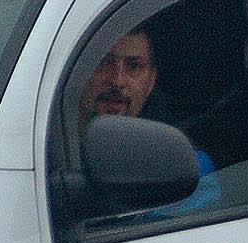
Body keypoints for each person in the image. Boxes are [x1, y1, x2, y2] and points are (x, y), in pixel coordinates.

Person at [74, 24, 220, 207]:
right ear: (78, 71)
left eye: (133, 66)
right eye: (104, 62)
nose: (117, 80)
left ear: (151, 81)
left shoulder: (182, 167)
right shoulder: (38, 142)